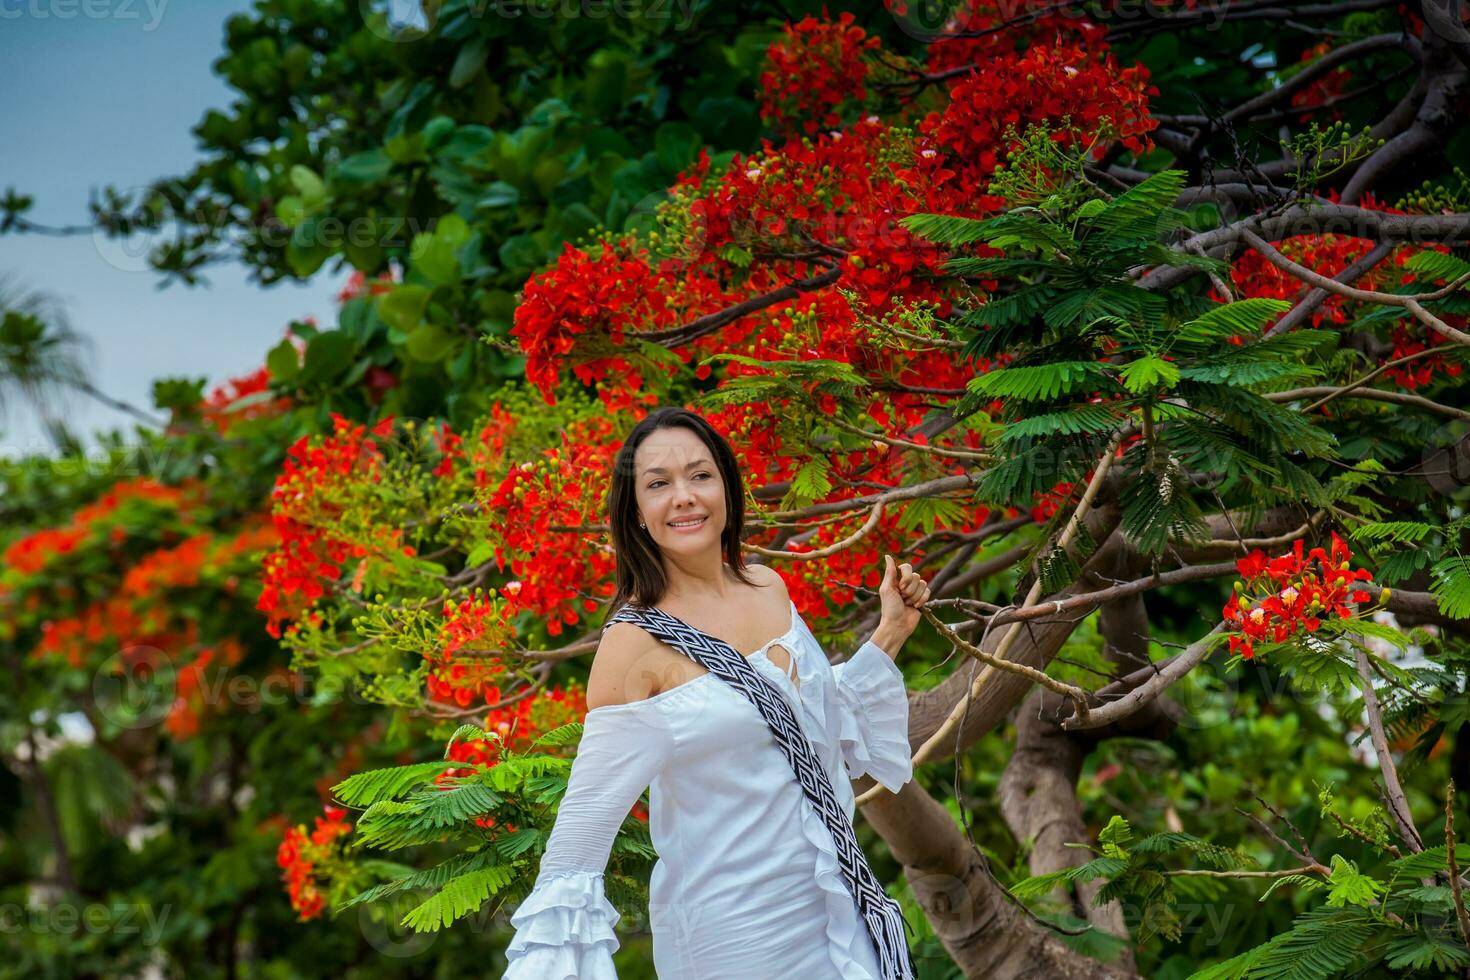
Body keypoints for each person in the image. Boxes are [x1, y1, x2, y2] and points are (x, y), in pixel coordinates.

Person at [501, 406, 931, 979]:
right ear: (635, 513)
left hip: (837, 913)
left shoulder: (767, 586)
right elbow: (581, 837)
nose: (683, 496)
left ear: (726, 487)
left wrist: (891, 632)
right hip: (733, 941)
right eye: (658, 484)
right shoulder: (633, 645)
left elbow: (810, 725)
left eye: (700, 475)